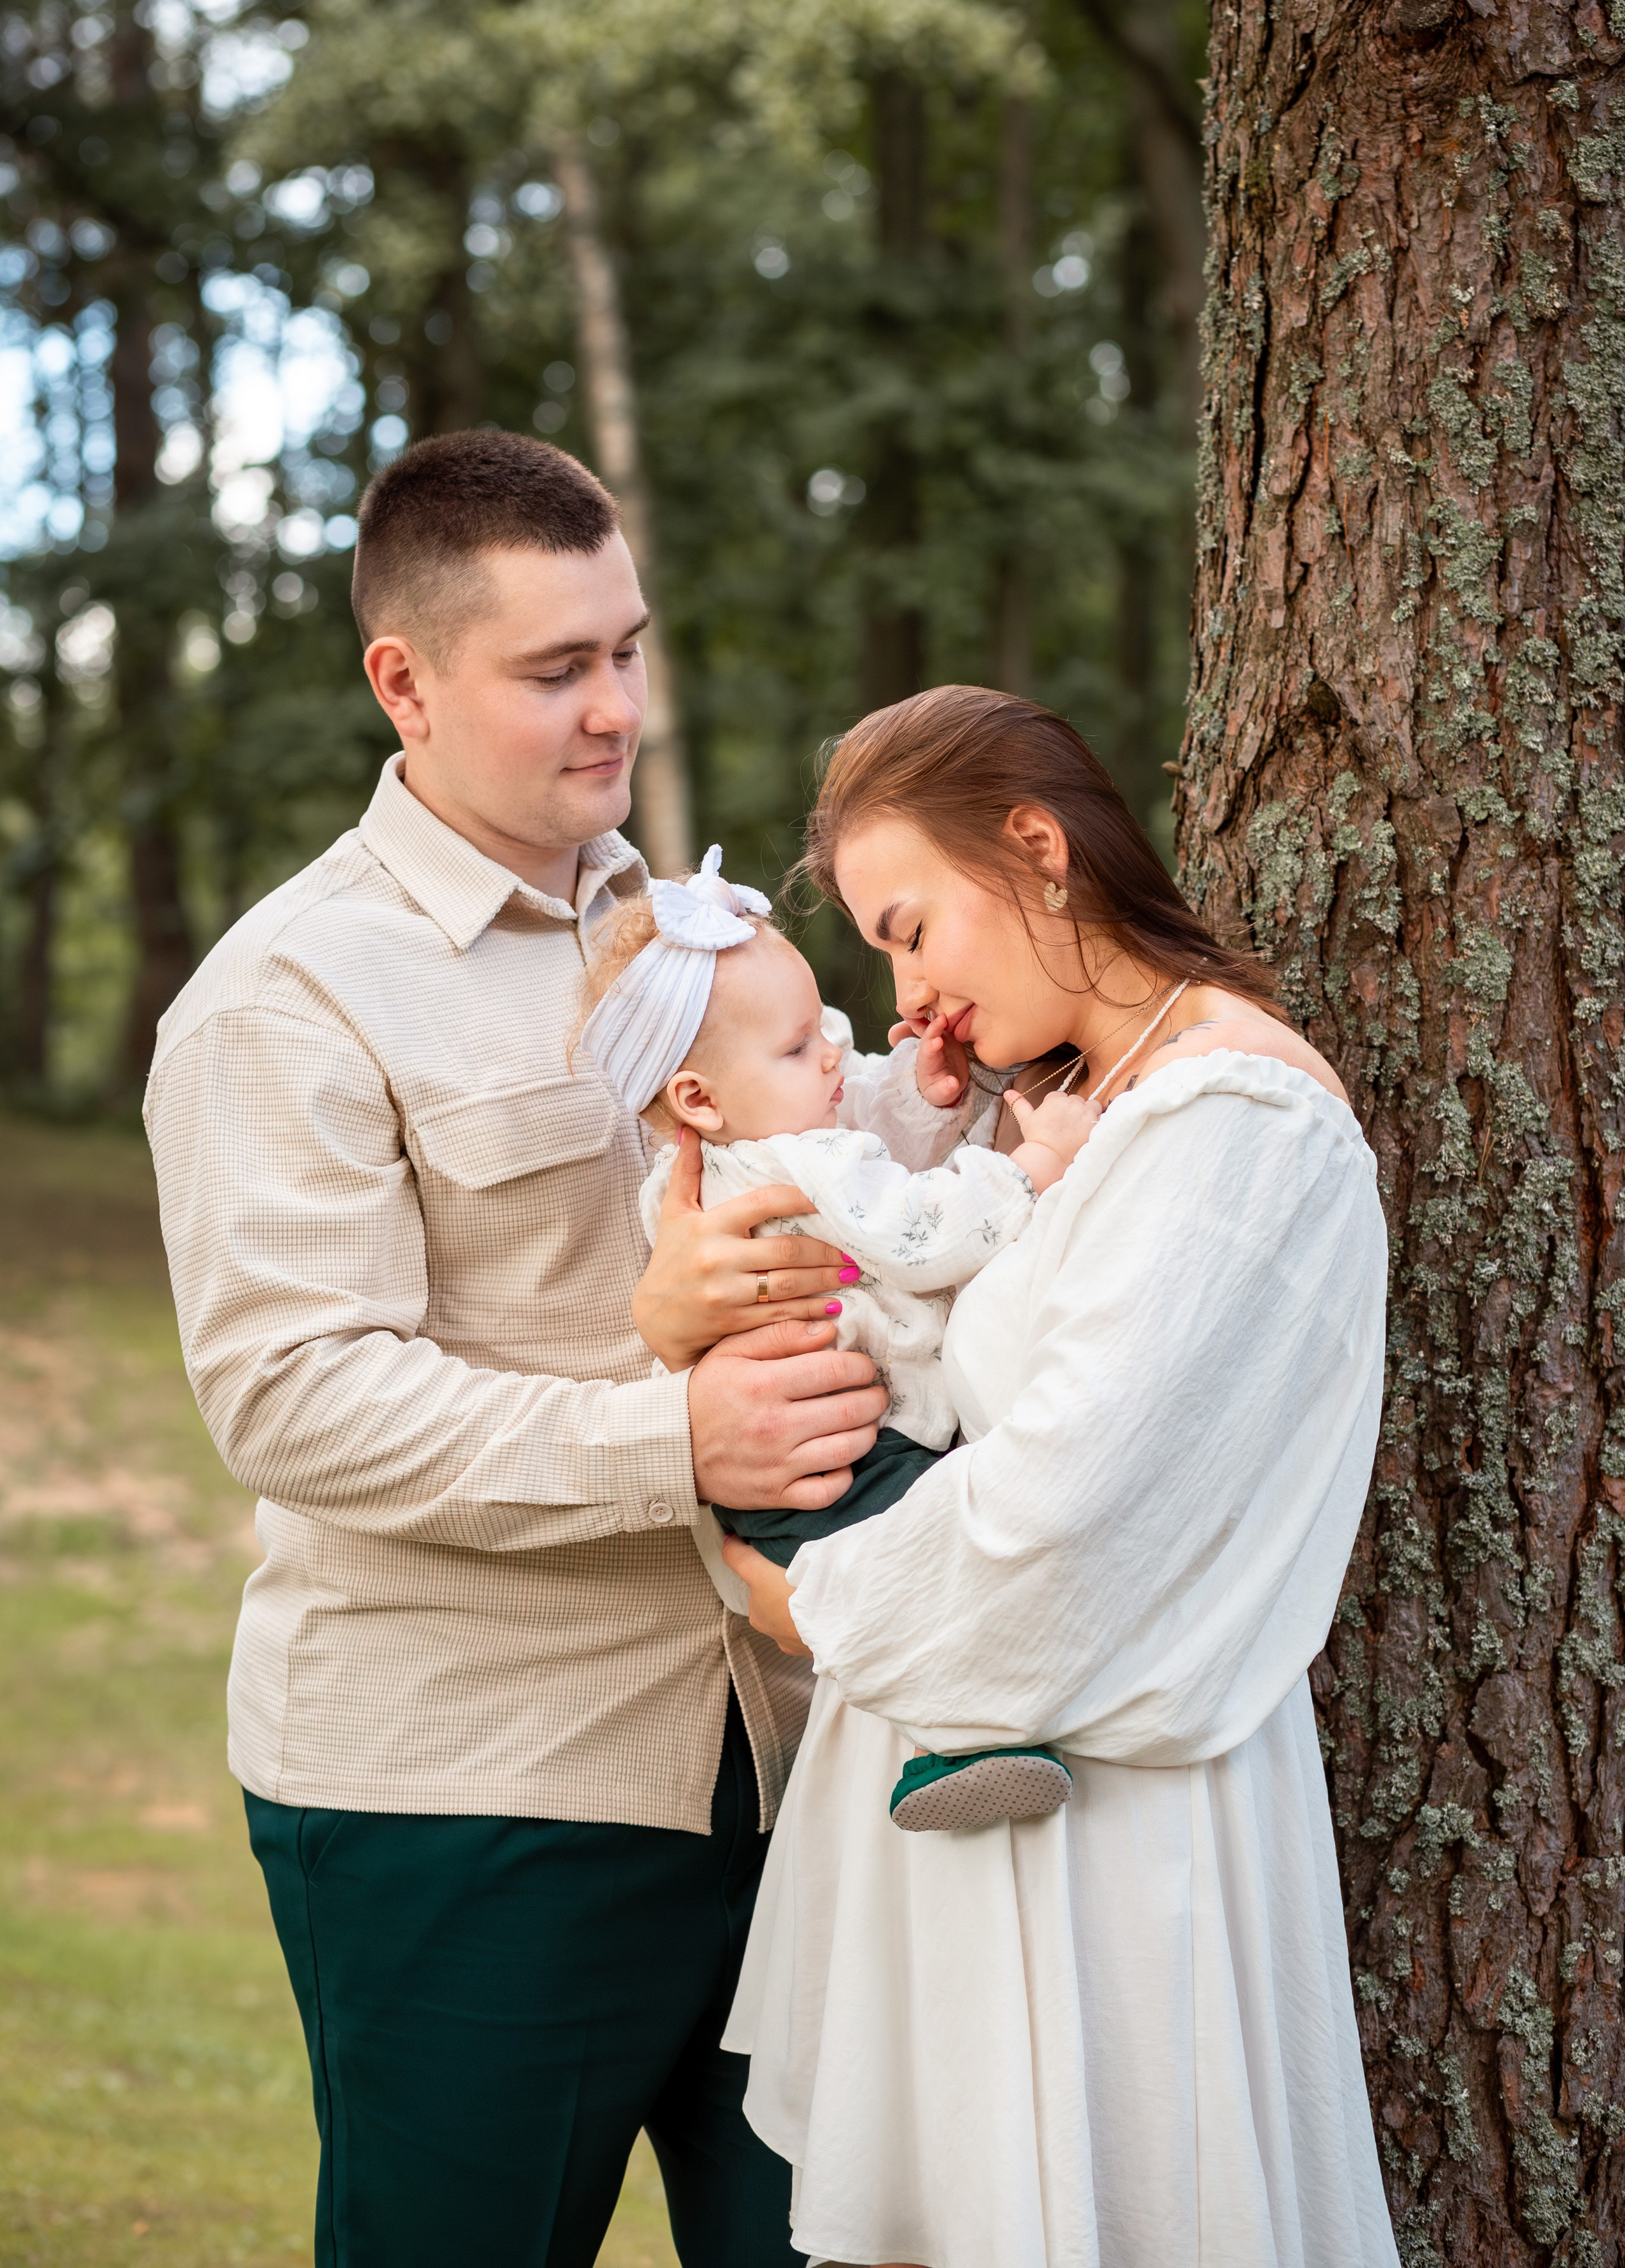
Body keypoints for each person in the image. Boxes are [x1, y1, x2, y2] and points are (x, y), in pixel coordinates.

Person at [142, 429, 959, 2268]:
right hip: (472, 1797)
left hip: (789, 1768)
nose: (616, 710)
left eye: (628, 649)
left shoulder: (691, 926)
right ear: (404, 682)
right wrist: (678, 1442)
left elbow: (831, 1138)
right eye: (557, 668)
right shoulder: (289, 996)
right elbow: (294, 1395)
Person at [647, 685, 1402, 2268]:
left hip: (1102, 1846)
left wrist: (800, 1597)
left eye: (913, 930)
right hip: (974, 1795)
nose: (906, 990)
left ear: (1039, 853)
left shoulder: (1235, 1132)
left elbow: (1065, 1526)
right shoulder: (1074, 1098)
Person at [575, 846, 1096, 1829]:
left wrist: (916, 1087)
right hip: (853, 1455)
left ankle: (965, 1731)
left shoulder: (703, 1171)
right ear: (699, 1096)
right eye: (800, 1045)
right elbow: (918, 1231)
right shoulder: (798, 1169)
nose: (833, 1058)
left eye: (829, 1032)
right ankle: (963, 1741)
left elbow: (855, 1113)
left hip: (787, 1472)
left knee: (921, 1578)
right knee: (943, 1565)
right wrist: (1034, 1168)